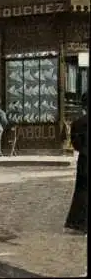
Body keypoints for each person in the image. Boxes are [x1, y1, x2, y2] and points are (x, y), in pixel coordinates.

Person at [64, 92, 88, 236]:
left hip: (85, 160)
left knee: (82, 192)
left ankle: (79, 224)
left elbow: (76, 145)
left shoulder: (77, 123)